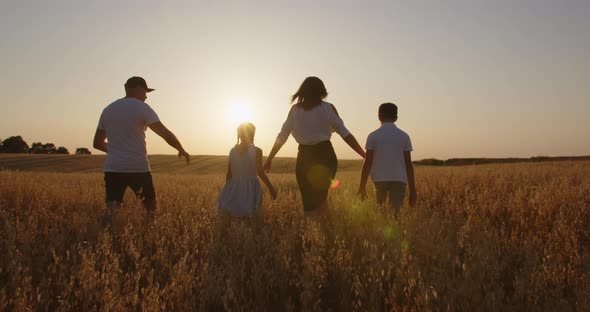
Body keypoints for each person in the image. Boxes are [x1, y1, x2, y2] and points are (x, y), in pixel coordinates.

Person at [93, 76, 190, 225]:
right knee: (150, 209)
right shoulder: (142, 107)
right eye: (145, 91)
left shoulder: (108, 109)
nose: (146, 96)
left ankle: (107, 240)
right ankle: (149, 235)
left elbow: (97, 143)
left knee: (112, 210)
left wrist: (116, 151)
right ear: (137, 88)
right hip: (137, 167)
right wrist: (181, 149)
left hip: (113, 168)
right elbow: (165, 133)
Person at [263, 76, 365, 216]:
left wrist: (269, 158)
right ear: (321, 91)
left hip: (304, 156)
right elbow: (345, 134)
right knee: (320, 199)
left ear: (302, 91)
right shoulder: (328, 108)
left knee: (309, 201)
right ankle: (322, 230)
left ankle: (314, 231)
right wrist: (364, 154)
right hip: (325, 155)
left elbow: (282, 135)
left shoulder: (295, 110)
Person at [357, 103, 417, 217]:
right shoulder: (404, 136)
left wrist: (362, 186)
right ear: (396, 118)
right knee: (396, 215)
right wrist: (413, 191)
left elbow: (367, 163)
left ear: (379, 117)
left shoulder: (373, 136)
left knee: (381, 214)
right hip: (399, 179)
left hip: (379, 179)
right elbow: (408, 164)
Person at [218, 122, 277, 217]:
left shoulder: (232, 151)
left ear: (239, 135)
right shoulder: (257, 151)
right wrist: (270, 188)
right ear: (252, 134)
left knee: (232, 216)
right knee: (250, 216)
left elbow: (229, 173)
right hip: (251, 188)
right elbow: (260, 172)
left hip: (233, 187)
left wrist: (226, 191)